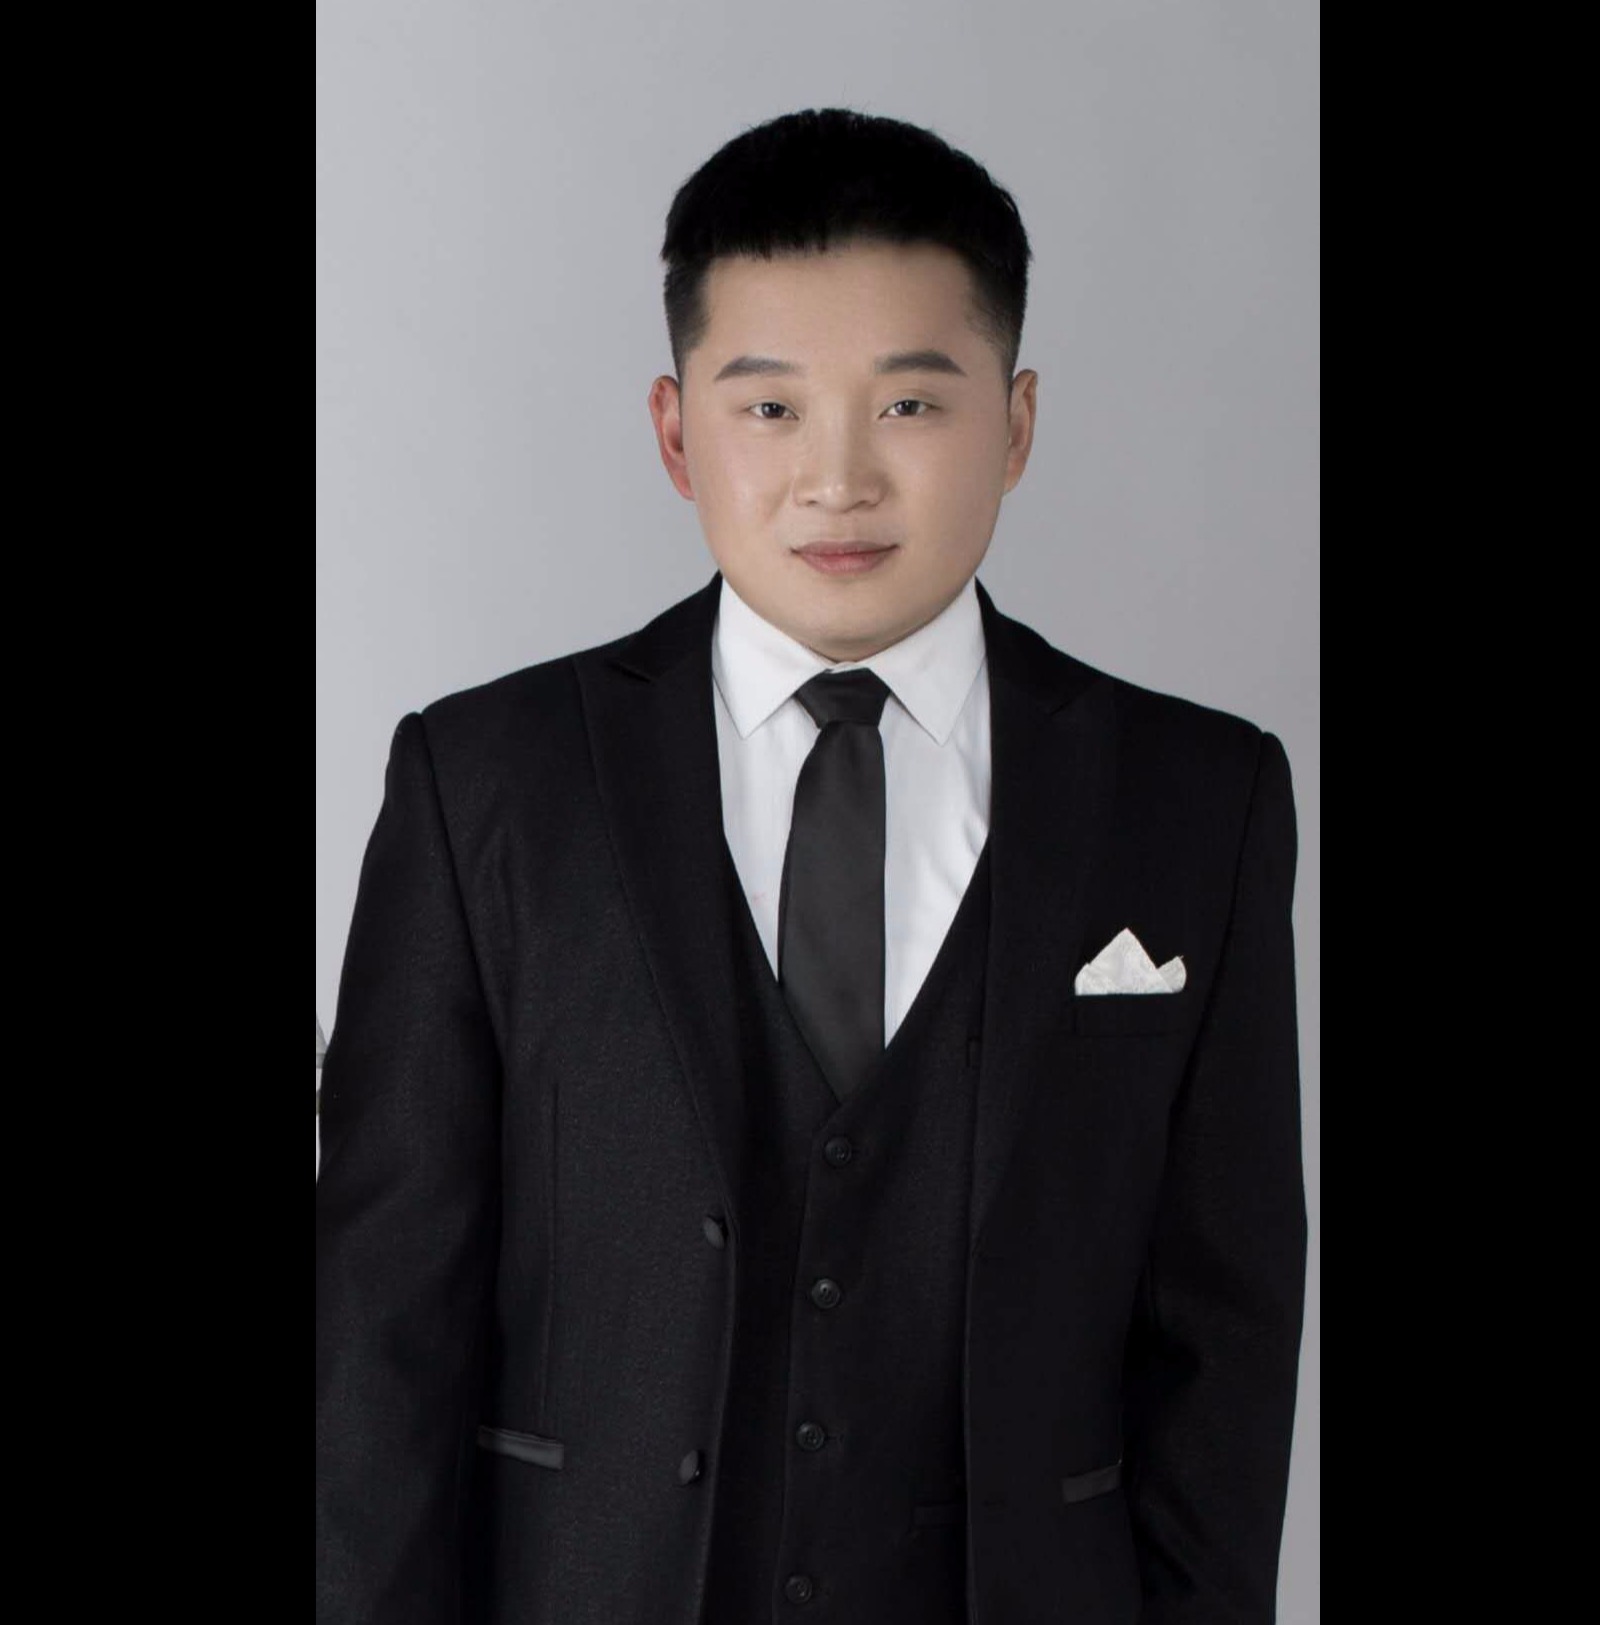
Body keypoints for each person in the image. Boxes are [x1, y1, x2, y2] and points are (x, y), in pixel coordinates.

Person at [316, 106, 1307, 1625]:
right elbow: (379, 1320)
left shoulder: (1196, 797)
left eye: (909, 404)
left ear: (1016, 425)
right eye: (769, 407)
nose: (837, 480)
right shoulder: (485, 781)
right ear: (675, 433)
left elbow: (1225, 1337)